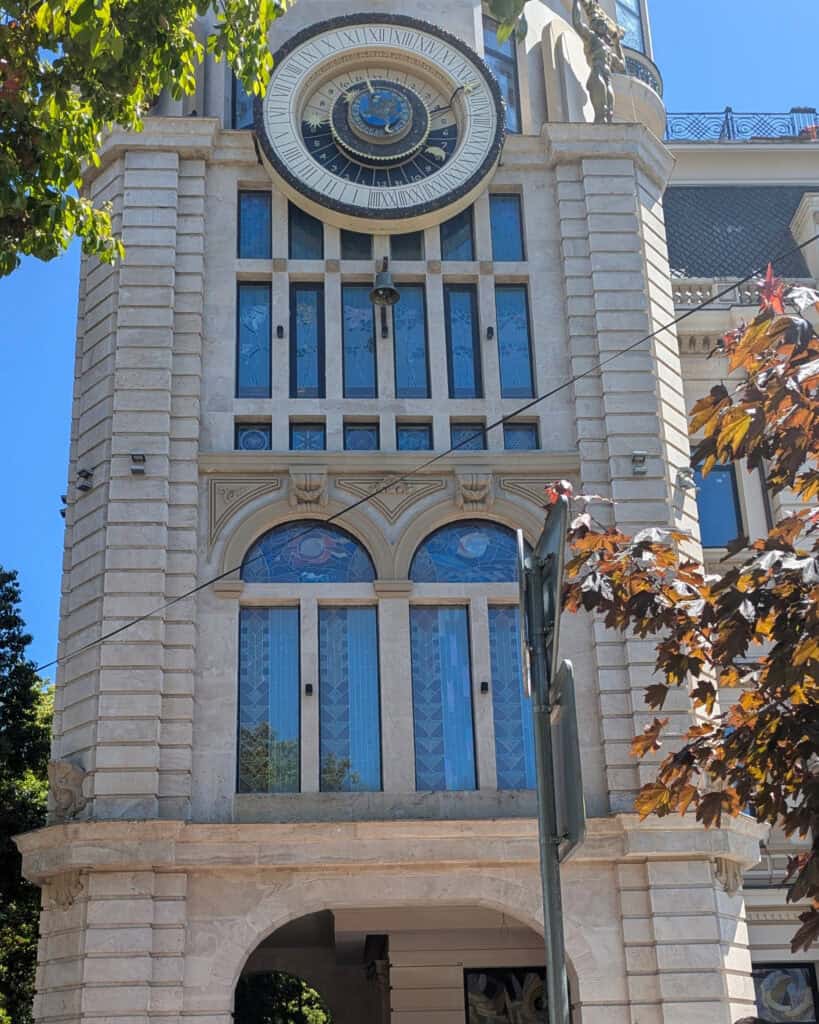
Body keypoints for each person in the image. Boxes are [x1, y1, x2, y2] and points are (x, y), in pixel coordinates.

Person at [572, 0, 626, 124]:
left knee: (610, 112)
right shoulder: (592, 38)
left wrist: (617, 43)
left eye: (604, 24)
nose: (603, 26)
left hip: (607, 76)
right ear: (595, 26)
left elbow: (622, 66)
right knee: (601, 112)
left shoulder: (609, 51)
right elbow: (577, 23)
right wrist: (576, 3)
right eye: (600, 23)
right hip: (597, 72)